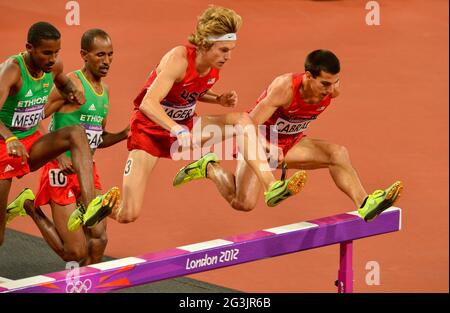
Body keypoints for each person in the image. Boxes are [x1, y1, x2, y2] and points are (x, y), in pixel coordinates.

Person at [68, 5, 307, 228]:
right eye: (223, 50)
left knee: (242, 120)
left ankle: (271, 186)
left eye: (230, 51)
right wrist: (177, 129)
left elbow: (188, 89)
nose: (228, 57)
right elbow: (148, 104)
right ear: (204, 45)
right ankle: (89, 203)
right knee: (128, 214)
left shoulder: (213, 67)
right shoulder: (179, 59)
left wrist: (217, 99)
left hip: (185, 128)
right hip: (150, 131)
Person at [174, 49, 403, 221]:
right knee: (243, 203)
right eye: (325, 83)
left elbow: (321, 99)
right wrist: (268, 146)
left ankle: (364, 202)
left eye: (335, 83)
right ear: (308, 76)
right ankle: (209, 168)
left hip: (291, 144)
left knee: (338, 154)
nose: (331, 90)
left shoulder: (333, 91)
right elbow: (248, 124)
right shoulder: (284, 88)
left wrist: (282, 146)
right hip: (259, 142)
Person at [6, 29, 127, 264]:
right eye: (100, 55)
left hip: (86, 170)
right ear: (84, 55)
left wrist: (124, 134)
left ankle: (85, 288)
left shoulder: (106, 91)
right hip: (59, 170)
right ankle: (29, 206)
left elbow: (96, 139)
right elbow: (34, 118)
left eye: (110, 55)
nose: (107, 61)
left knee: (99, 238)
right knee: (75, 252)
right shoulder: (69, 84)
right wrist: (59, 154)